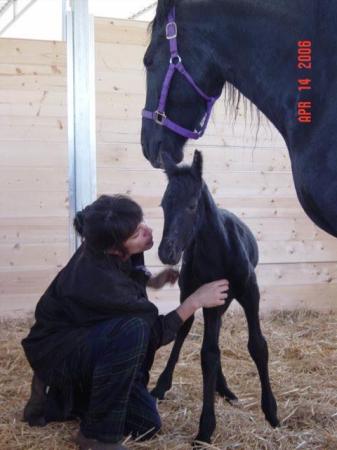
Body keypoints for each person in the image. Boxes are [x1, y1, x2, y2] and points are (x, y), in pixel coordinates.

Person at [22, 194, 229, 450]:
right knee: (134, 330)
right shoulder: (101, 282)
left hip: (86, 336)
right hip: (57, 349)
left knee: (145, 425)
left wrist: (151, 280)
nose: (147, 231)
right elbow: (153, 334)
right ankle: (95, 436)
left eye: (141, 223)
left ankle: (62, 399)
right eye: (136, 235)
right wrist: (195, 301)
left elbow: (125, 273)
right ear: (114, 248)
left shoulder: (104, 241)